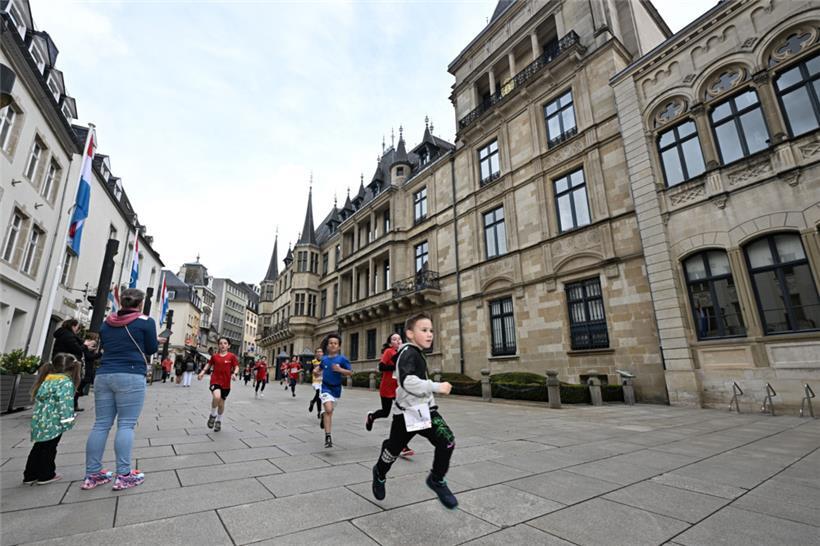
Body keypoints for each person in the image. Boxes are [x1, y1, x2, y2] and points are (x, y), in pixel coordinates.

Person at [371, 313, 457, 509]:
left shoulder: (416, 352)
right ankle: (379, 473)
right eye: (424, 330)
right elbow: (407, 381)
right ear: (409, 333)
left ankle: (436, 479)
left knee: (447, 440)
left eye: (431, 331)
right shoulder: (408, 352)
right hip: (407, 413)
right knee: (392, 451)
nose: (429, 335)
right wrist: (436, 386)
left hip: (425, 411)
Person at [82, 288, 159, 491]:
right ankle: (124, 475)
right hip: (131, 374)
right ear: (140, 303)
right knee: (126, 425)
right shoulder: (146, 321)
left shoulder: (107, 323)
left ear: (122, 302)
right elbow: (151, 349)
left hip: (104, 374)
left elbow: (105, 345)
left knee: (100, 425)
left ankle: (92, 473)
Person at [23, 353, 81, 485]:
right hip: (54, 423)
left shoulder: (47, 379)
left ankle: (29, 475)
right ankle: (46, 474)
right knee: (49, 448)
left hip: (40, 420)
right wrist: (68, 422)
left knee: (38, 447)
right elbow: (65, 404)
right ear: (72, 370)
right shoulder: (65, 383)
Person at [366, 333, 414, 457]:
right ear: (390, 342)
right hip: (387, 388)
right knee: (385, 412)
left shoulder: (404, 352)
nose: (397, 341)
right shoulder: (389, 351)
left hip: (399, 389)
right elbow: (381, 367)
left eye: (399, 339)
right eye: (394, 339)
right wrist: (395, 366)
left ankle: (402, 445)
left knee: (401, 416)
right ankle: (371, 416)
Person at [197, 337, 239, 432]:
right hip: (215, 381)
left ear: (229, 346)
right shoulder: (215, 356)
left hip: (226, 384)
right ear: (218, 345)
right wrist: (202, 372)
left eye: (225, 343)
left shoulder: (231, 356)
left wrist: (234, 374)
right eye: (220, 343)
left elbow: (236, 366)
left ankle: (219, 421)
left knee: (221, 404)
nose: (222, 345)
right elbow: (209, 364)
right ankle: (212, 415)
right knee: (216, 397)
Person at [52, 318, 93, 411]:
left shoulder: (63, 334)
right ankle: (64, 405)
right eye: (77, 327)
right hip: (67, 363)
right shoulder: (68, 335)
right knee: (69, 384)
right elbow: (76, 349)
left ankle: (69, 404)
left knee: (64, 383)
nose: (78, 330)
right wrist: (85, 345)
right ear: (72, 326)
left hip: (61, 361)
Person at [319, 334, 352, 448]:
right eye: (330, 343)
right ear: (327, 346)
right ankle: (328, 437)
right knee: (329, 409)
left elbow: (350, 372)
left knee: (329, 411)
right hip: (325, 387)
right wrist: (315, 371)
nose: (333, 345)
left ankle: (323, 415)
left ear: (339, 347)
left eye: (335, 343)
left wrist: (339, 369)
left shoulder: (342, 359)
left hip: (337, 389)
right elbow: (319, 369)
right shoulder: (324, 359)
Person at [308, 348, 323, 417]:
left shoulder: (325, 361)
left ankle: (313, 402)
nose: (319, 353)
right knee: (318, 393)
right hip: (316, 381)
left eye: (320, 352)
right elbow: (310, 370)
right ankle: (319, 411)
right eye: (318, 352)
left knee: (319, 396)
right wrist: (314, 372)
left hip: (323, 381)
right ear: (316, 354)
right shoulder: (313, 361)